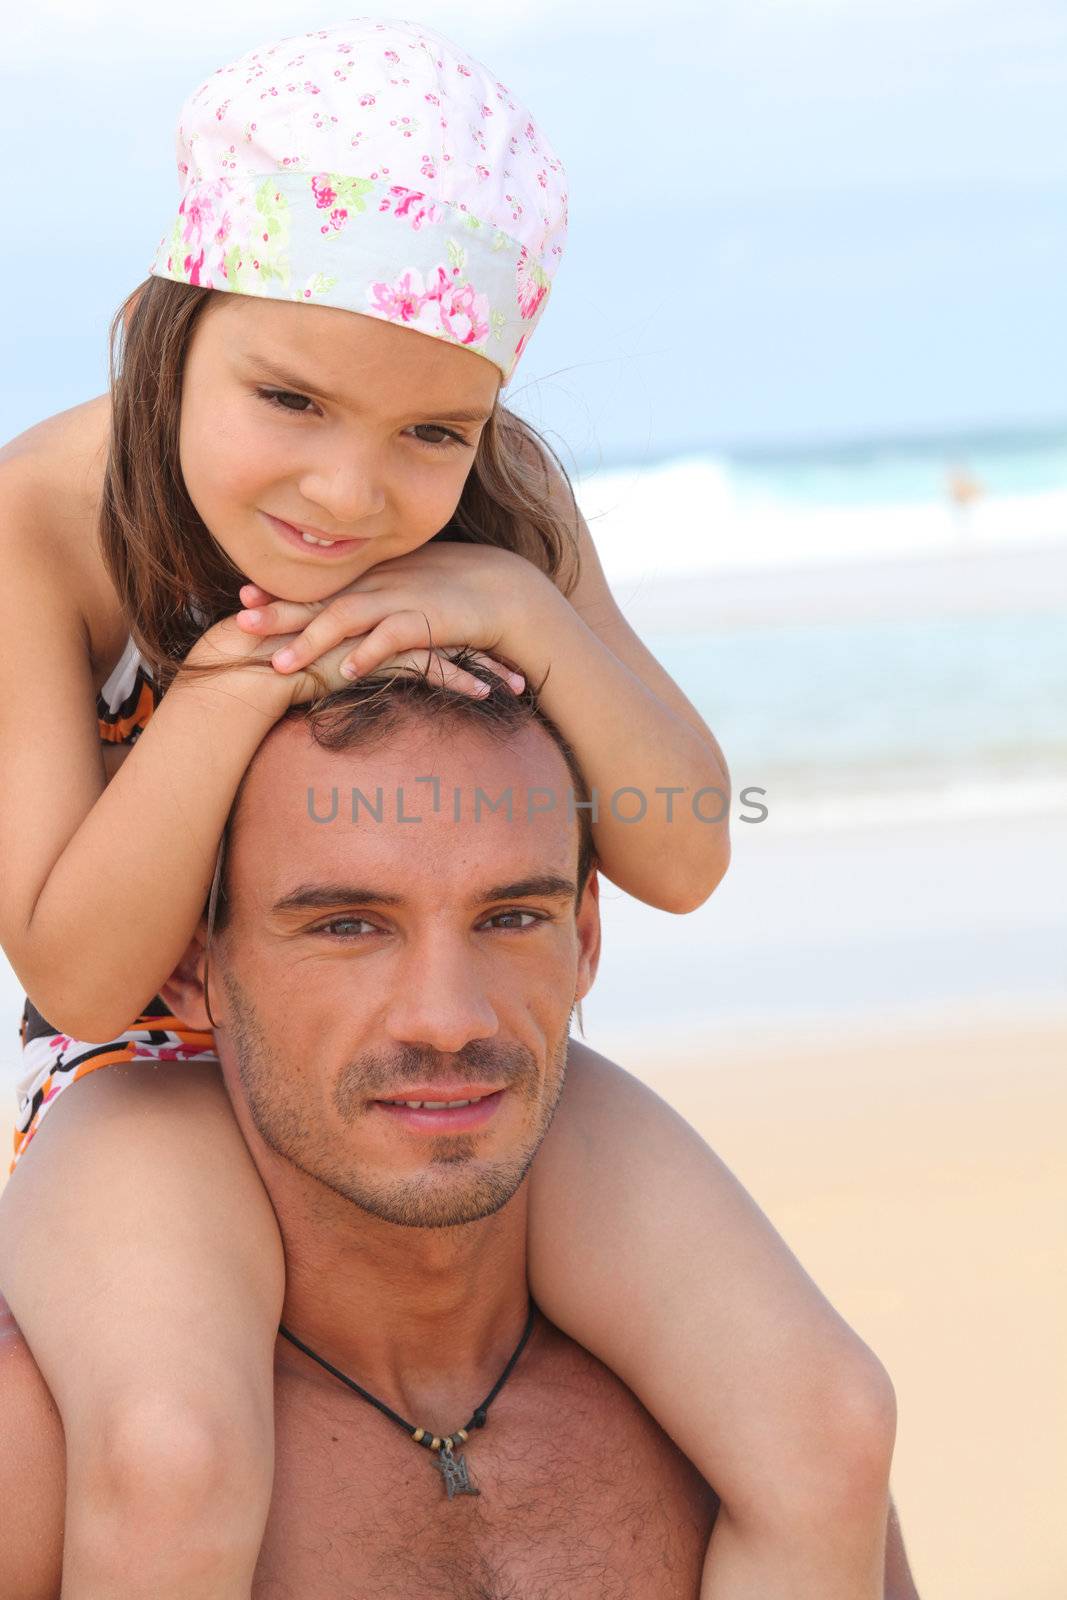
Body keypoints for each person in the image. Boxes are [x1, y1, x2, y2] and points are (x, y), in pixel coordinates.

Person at [0, 19, 898, 1600]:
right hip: (148, 1071)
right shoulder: (47, 522)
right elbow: (72, 972)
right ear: (165, 333)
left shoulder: (502, 517)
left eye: (430, 430)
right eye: (289, 398)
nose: (348, 495)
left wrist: (528, 608)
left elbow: (679, 850)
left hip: (445, 1033)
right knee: (171, 1456)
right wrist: (225, 691)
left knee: (825, 1423)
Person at [0, 669, 921, 1598]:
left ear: (586, 938)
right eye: (348, 925)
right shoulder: (47, 1460)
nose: (448, 1018)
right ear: (190, 969)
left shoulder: (744, 1437)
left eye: (512, 916)